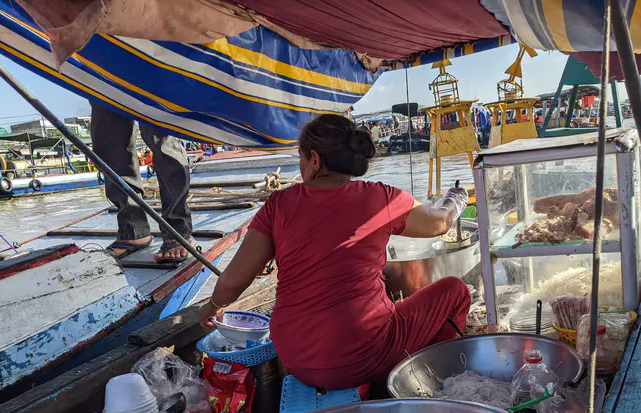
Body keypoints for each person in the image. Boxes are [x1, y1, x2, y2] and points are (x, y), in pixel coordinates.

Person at [198, 114, 471, 390]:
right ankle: (440, 383)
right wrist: (455, 200)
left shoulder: (278, 204)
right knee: (455, 290)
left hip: (294, 358)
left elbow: (233, 282)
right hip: (364, 357)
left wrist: (211, 308)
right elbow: (440, 223)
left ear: (314, 160)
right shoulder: (380, 197)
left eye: (300, 159)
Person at [90, 102, 194, 262]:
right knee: (109, 141)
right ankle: (133, 230)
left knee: (162, 134)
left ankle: (178, 228)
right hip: (103, 77)